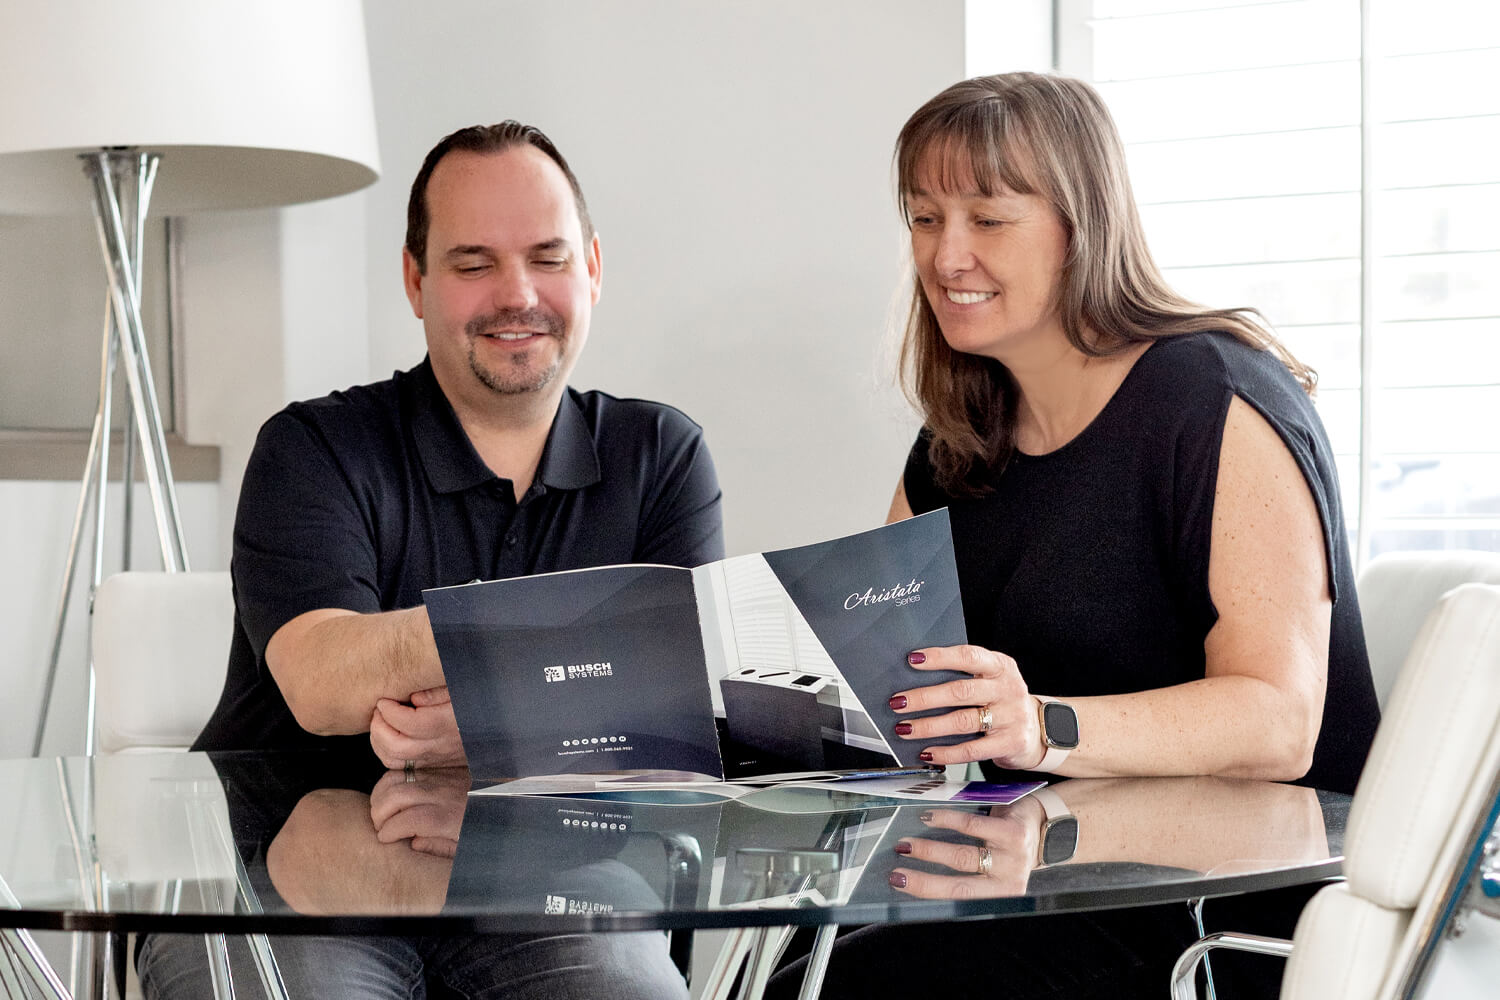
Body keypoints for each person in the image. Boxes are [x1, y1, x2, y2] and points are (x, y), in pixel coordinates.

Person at [768, 72, 1379, 999]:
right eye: (925, 219)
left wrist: (1040, 725)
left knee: (868, 980)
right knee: (796, 958)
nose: (946, 256)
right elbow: (881, 668)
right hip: (1047, 870)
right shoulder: (958, 439)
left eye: (989, 217)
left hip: (1222, 909)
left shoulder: (1214, 397)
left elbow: (1279, 722)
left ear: (1080, 225)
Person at [139, 121, 721, 999]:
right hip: (290, 889)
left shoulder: (661, 454)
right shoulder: (315, 449)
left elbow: (682, 703)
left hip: (556, 889)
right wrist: (566, 667)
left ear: (593, 267)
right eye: (473, 263)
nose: (516, 293)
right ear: (416, 280)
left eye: (549, 257)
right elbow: (324, 683)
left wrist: (495, 724)